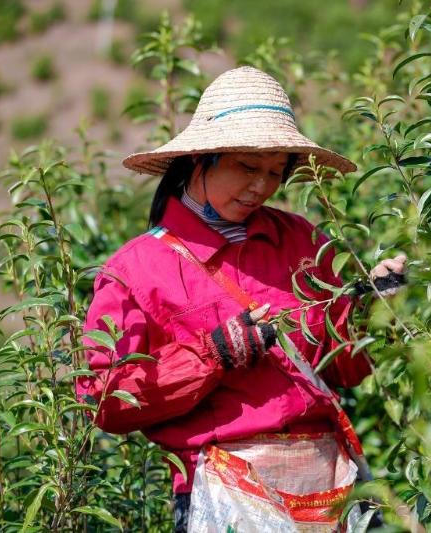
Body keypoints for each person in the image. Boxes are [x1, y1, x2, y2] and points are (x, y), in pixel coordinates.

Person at [77, 66, 407, 532]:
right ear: (200, 159)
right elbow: (106, 399)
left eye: (276, 171)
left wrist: (373, 307)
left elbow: (345, 367)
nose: (261, 186)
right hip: (221, 492)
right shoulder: (137, 269)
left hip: (327, 487)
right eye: (247, 167)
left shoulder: (301, 241)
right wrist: (210, 355)